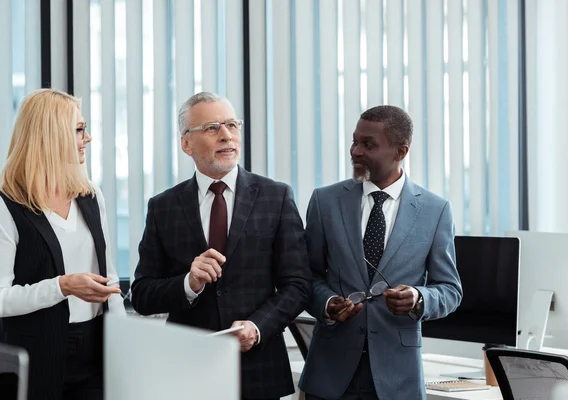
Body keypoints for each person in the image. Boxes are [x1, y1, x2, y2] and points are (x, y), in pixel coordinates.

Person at [131, 92, 311, 400]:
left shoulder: (276, 197)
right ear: (186, 143)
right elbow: (142, 295)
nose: (227, 135)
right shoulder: (163, 207)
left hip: (259, 370)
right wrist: (189, 283)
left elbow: (298, 285)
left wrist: (257, 327)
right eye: (213, 127)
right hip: (189, 371)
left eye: (231, 125)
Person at [299, 105, 463, 400]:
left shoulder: (435, 210)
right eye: (354, 141)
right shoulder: (325, 201)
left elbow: (450, 290)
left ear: (401, 151)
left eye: (368, 144)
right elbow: (305, 276)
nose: (355, 151)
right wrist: (327, 304)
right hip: (330, 375)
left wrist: (418, 298)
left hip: (397, 380)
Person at [0, 89, 125, 400]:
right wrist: (62, 286)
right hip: (35, 354)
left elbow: (108, 276)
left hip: (95, 348)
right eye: (78, 129)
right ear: (51, 135)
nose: (88, 138)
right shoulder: (3, 210)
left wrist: (125, 344)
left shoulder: (91, 196)